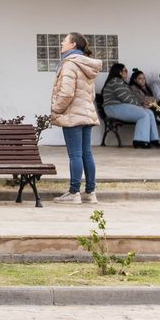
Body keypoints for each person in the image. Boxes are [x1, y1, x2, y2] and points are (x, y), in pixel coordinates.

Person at [49, 33, 102, 204]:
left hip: (72, 114)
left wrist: (56, 109)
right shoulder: (87, 64)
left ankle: (73, 192)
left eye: (64, 41)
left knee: (75, 155)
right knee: (87, 153)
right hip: (86, 113)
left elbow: (67, 92)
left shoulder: (70, 64)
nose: (62, 44)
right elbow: (91, 93)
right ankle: (90, 192)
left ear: (73, 45)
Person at [100, 60, 160, 150]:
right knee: (143, 114)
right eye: (125, 71)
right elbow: (125, 98)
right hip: (113, 108)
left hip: (120, 107)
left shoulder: (122, 82)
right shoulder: (115, 81)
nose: (127, 73)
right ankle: (140, 141)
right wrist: (140, 105)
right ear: (119, 72)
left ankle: (153, 140)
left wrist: (142, 104)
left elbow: (131, 97)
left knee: (149, 113)